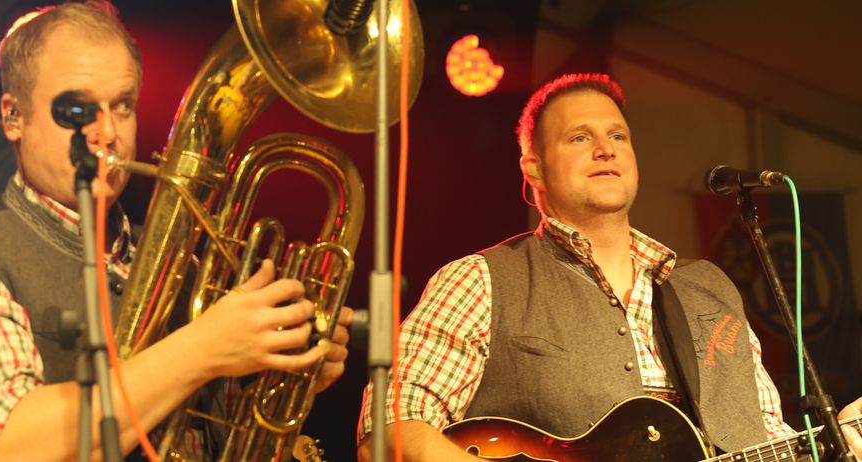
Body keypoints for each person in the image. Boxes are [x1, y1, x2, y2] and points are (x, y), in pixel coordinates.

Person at [0, 2, 352, 460]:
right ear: (13, 117)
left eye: (123, 106)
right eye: (77, 109)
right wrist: (203, 348)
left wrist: (284, 373)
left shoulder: (186, 265)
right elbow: (5, 444)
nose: (107, 133)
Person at [356, 73, 862, 460]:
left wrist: (835, 445)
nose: (605, 149)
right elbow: (389, 424)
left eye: (618, 136)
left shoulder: (708, 287)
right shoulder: (480, 279)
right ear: (533, 168)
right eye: (579, 138)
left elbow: (768, 434)